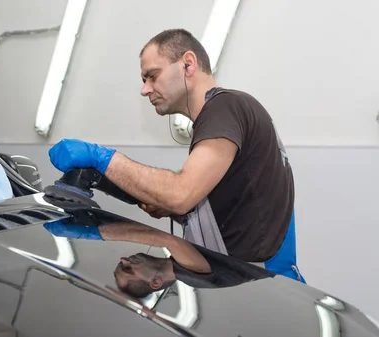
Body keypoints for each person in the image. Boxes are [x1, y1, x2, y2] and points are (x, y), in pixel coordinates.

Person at [47, 28, 306, 283]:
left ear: (188, 64)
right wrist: (170, 209)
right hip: (247, 282)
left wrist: (100, 157)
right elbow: (238, 211)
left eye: (152, 76)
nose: (145, 89)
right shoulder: (225, 116)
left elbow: (181, 195)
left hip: (261, 290)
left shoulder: (225, 107)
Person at [44, 219, 276, 298]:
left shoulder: (182, 263)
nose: (124, 259)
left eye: (120, 264)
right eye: (128, 269)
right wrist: (98, 231)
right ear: (156, 282)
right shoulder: (193, 276)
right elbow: (167, 239)